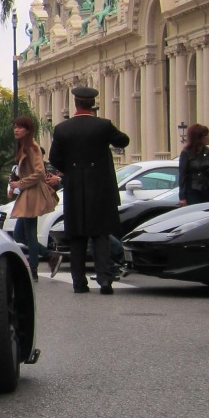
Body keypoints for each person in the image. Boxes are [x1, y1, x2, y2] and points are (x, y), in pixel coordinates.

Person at [48, 87, 130, 294]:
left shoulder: (62, 128)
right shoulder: (103, 126)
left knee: (77, 236)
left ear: (75, 104)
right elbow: (123, 141)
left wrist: (72, 171)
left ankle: (79, 282)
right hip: (100, 186)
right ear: (92, 104)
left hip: (75, 187)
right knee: (101, 235)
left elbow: (55, 158)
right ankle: (104, 280)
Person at [9, 115, 59, 280]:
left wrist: (21, 183)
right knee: (20, 234)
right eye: (15, 126)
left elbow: (39, 172)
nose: (16, 129)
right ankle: (49, 255)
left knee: (29, 233)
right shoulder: (24, 146)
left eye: (20, 127)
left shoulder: (31, 146)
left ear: (28, 130)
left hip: (32, 192)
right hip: (27, 192)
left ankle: (34, 269)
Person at [177, 123, 209, 207]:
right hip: (193, 192)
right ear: (199, 137)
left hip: (208, 192)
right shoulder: (186, 153)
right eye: (207, 135)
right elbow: (183, 176)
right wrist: (182, 197)